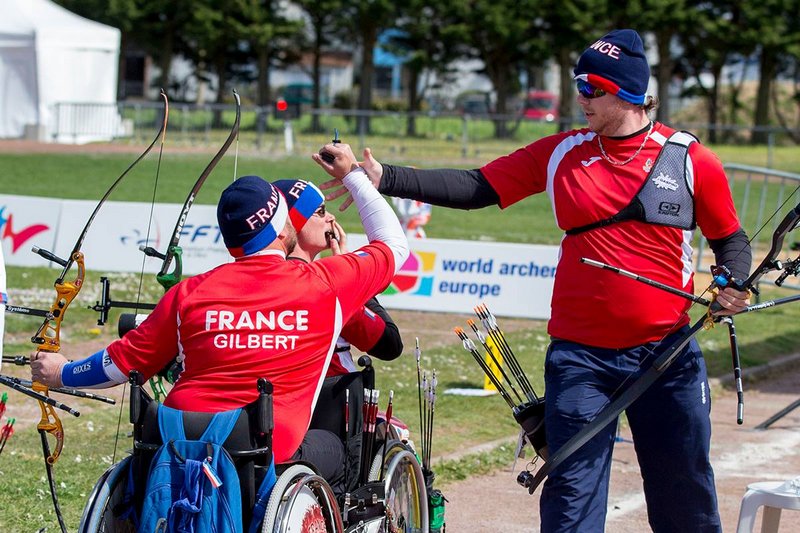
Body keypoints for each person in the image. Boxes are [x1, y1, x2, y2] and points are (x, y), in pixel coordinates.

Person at [314, 29, 752, 533]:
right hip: (582, 360)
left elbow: (732, 239)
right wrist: (382, 176)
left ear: (629, 94)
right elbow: (479, 185)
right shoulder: (563, 151)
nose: (580, 98)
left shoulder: (690, 159)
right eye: (579, 86)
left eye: (592, 88)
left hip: (667, 356)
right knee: (571, 503)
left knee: (686, 498)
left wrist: (732, 281)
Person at [30, 155, 409, 497]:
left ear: (232, 243)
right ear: (282, 230)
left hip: (180, 442)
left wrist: (61, 372)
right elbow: (394, 244)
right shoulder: (327, 282)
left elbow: (120, 363)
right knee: (339, 450)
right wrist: (355, 178)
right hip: (264, 452)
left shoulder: (188, 293)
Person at [272, 178, 403, 376]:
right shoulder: (325, 285)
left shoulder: (271, 274)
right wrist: (349, 277)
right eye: (320, 212)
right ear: (293, 226)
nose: (331, 218)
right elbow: (390, 344)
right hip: (332, 400)